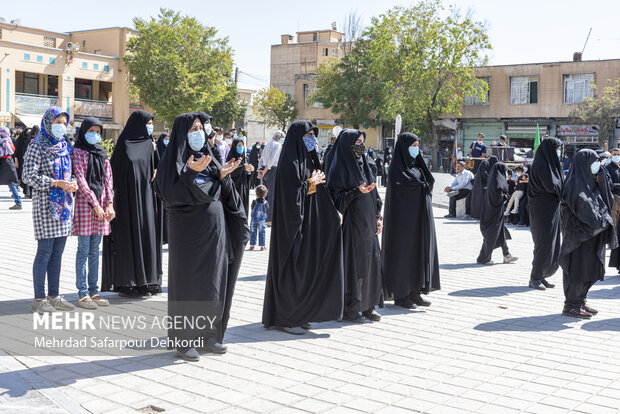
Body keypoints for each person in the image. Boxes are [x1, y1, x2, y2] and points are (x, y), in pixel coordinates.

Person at [155, 112, 249, 360]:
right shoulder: (172, 161)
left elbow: (222, 193)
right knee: (189, 284)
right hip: (188, 234)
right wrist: (187, 174)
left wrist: (222, 176)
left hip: (214, 233)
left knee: (213, 282)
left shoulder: (209, 158)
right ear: (182, 132)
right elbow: (170, 195)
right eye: (193, 129)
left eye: (200, 128)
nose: (199, 133)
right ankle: (184, 341)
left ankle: (209, 335)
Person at [262, 120, 344, 335]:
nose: (312, 140)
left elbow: (318, 192)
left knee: (307, 269)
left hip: (307, 226)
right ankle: (286, 318)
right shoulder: (290, 162)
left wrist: (332, 213)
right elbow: (291, 197)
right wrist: (310, 183)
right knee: (292, 270)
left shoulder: (308, 160)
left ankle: (302, 313)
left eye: (313, 136)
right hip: (292, 230)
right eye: (308, 136)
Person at [101, 110, 162, 298]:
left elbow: (157, 167)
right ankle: (127, 284)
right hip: (127, 202)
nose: (150, 126)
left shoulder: (150, 145)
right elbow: (113, 174)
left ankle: (147, 282)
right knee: (129, 240)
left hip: (147, 201)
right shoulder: (124, 145)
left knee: (147, 238)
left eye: (151, 122)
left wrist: (157, 168)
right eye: (147, 122)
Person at [22, 107, 77, 313]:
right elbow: (28, 176)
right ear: (47, 123)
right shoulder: (37, 146)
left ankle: (54, 296)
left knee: (58, 254)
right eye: (57, 122)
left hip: (63, 206)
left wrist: (72, 183)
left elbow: (69, 173)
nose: (61, 127)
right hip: (45, 207)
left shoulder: (65, 147)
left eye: (64, 123)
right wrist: (55, 183)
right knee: (44, 252)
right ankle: (39, 299)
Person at [328, 128, 383, 322]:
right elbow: (335, 199)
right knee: (354, 265)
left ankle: (369, 304)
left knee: (371, 264)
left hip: (368, 223)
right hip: (351, 225)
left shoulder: (366, 164)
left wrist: (378, 216)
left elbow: (374, 193)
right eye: (357, 143)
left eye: (362, 142)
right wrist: (355, 191)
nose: (360, 146)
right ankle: (350, 307)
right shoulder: (339, 168)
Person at [383, 132, 439, 309]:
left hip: (420, 221)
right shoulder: (397, 170)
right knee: (404, 255)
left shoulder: (417, 167)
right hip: (404, 224)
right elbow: (402, 194)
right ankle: (402, 295)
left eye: (417, 145)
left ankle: (416, 291)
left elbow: (428, 182)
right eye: (412, 146)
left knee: (419, 253)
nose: (416, 149)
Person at [559, 149, 616, 318]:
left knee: (590, 269)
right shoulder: (574, 184)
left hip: (591, 235)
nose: (597, 164)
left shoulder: (591, 182)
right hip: (579, 237)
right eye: (594, 161)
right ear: (584, 163)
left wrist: (601, 178)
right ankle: (571, 305)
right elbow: (585, 209)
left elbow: (607, 201)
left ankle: (581, 300)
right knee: (579, 269)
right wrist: (602, 221)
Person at [71, 117, 114, 309]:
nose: (94, 134)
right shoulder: (78, 152)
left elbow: (108, 180)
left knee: (95, 251)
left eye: (98, 131)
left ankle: (94, 291)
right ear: (83, 131)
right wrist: (95, 204)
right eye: (91, 130)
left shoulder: (102, 153)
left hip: (102, 208)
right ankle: (82, 293)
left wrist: (109, 204)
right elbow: (80, 180)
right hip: (85, 205)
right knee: (83, 250)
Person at [527, 138, 563, 289]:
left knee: (551, 243)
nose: (559, 152)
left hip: (551, 209)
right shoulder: (542, 165)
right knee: (544, 243)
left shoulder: (550, 165)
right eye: (557, 149)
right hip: (542, 210)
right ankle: (534, 277)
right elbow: (551, 186)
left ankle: (541, 275)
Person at [476, 162, 519, 265]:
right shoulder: (496, 183)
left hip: (495, 213)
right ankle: (483, 259)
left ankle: (507, 255)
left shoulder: (494, 181)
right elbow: (497, 197)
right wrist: (505, 196)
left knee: (500, 233)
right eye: (503, 171)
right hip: (492, 215)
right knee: (491, 236)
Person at [257, 130, 284, 225]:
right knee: (271, 195)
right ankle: (269, 219)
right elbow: (273, 159)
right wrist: (265, 170)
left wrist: (260, 170)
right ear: (278, 136)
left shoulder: (268, 144)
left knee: (266, 194)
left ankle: (265, 217)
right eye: (282, 137)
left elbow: (262, 158)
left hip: (266, 170)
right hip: (271, 170)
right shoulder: (278, 145)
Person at [226, 138, 253, 216]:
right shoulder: (231, 157)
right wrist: (242, 168)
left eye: (242, 145)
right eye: (239, 145)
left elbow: (247, 171)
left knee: (244, 205)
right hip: (234, 185)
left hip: (243, 185)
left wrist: (250, 169)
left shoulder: (244, 158)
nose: (241, 147)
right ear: (235, 146)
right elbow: (230, 171)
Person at [0, 127, 23, 210]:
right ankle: (18, 203)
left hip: (3, 162)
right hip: (9, 162)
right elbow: (13, 150)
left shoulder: (3, 141)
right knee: (11, 183)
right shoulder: (8, 140)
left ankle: (18, 203)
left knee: (11, 183)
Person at [469, 155, 498, 220]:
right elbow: (484, 174)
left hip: (480, 185)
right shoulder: (485, 163)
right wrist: (491, 179)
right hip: (481, 185)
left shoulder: (486, 163)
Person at [13, 126, 38, 199]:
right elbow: (16, 151)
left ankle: (29, 192)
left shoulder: (30, 140)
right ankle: (27, 192)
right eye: (27, 132)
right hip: (22, 161)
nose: (29, 133)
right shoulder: (21, 140)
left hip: (27, 161)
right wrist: (16, 159)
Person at [249, 185, 269, 251]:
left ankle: (252, 245)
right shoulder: (266, 203)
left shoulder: (254, 202)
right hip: (262, 220)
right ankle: (262, 246)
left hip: (254, 219)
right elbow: (267, 210)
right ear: (265, 194)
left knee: (252, 232)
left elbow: (252, 210)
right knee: (262, 232)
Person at [606, 148, 620, 226]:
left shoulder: (618, 167)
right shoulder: (608, 168)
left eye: (618, 154)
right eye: (615, 154)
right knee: (614, 221)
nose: (617, 156)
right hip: (614, 198)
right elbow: (609, 185)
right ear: (611, 156)